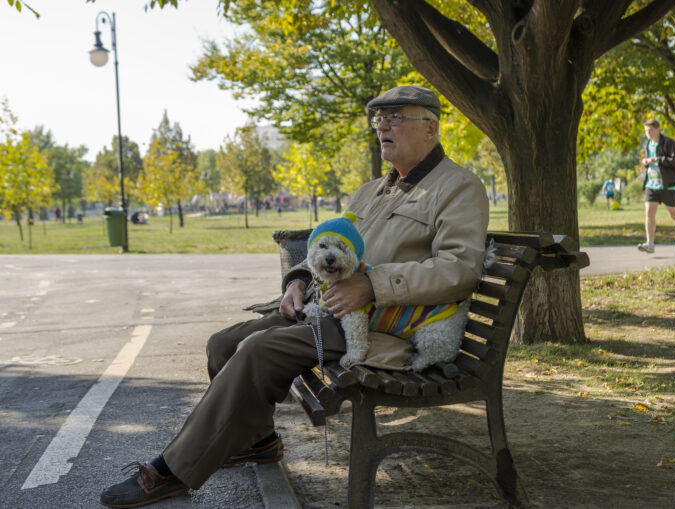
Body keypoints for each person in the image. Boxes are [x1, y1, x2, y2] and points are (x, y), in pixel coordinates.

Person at [99, 85, 490, 508]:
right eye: (379, 119)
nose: (383, 127)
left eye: (395, 118)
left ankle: (173, 470)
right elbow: (329, 243)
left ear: (430, 128)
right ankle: (258, 441)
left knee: (256, 350)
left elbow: (459, 269)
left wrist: (372, 285)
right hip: (327, 309)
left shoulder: (459, 187)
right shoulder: (372, 190)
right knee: (223, 344)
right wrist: (298, 282)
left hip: (385, 325)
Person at [637, 119, 675, 256]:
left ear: (658, 129)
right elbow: (650, 162)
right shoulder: (647, 144)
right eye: (646, 131)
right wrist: (645, 162)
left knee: (673, 214)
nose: (648, 133)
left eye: (650, 130)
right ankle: (650, 244)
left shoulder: (669, 143)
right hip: (651, 184)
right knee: (649, 213)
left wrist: (659, 159)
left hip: (668, 184)